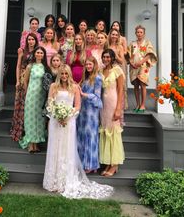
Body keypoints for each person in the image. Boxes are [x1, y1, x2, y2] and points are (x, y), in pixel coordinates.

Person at [43, 64, 113, 199]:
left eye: (66, 74)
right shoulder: (53, 86)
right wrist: (57, 115)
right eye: (62, 74)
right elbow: (49, 104)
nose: (64, 76)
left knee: (66, 149)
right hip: (55, 122)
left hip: (69, 122)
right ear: (59, 75)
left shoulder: (74, 87)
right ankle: (53, 180)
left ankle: (65, 180)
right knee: (55, 149)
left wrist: (67, 116)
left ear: (69, 74)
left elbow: (77, 106)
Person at [99, 49, 125, 177]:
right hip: (103, 105)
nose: (106, 59)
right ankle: (108, 163)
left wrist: (119, 108)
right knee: (105, 131)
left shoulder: (117, 70)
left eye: (108, 57)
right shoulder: (101, 71)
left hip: (113, 102)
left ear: (113, 58)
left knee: (113, 132)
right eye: (104, 57)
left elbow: (121, 89)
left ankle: (114, 165)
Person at [10, 33, 39, 142]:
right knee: (20, 103)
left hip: (33, 79)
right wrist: (17, 80)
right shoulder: (22, 52)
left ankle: (29, 130)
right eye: (29, 39)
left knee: (30, 104)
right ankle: (18, 129)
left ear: (36, 41)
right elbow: (18, 66)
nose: (31, 41)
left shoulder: (38, 52)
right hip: (22, 79)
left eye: (33, 39)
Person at [19, 46, 48, 152]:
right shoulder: (30, 66)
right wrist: (27, 93)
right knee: (30, 118)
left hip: (41, 96)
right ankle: (31, 143)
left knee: (39, 119)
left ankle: (37, 142)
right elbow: (25, 81)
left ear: (43, 55)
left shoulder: (45, 67)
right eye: (38, 52)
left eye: (41, 53)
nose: (39, 54)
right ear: (34, 54)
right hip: (31, 95)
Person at [77, 56, 102, 174]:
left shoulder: (97, 78)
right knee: (82, 135)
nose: (88, 66)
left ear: (94, 65)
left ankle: (91, 164)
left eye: (90, 64)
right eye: (86, 65)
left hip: (92, 112)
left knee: (90, 137)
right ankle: (83, 162)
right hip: (83, 111)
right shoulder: (85, 78)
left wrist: (84, 94)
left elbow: (97, 97)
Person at [127, 25, 157, 112]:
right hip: (134, 67)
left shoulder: (147, 43)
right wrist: (132, 63)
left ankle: (143, 105)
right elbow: (128, 55)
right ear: (135, 33)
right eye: (138, 32)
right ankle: (137, 104)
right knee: (136, 85)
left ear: (144, 34)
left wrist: (141, 61)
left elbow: (150, 54)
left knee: (142, 84)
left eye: (141, 32)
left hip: (143, 67)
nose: (139, 34)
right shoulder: (132, 44)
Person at [108, 28, 128, 109]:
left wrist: (115, 55)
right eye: (113, 34)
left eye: (116, 35)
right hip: (107, 69)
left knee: (118, 89)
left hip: (116, 70)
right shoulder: (107, 45)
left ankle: (118, 107)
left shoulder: (120, 47)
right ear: (110, 35)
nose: (114, 36)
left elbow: (121, 61)